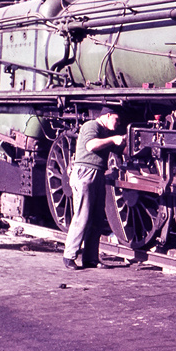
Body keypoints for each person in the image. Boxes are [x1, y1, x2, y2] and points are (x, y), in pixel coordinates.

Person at [62, 106, 125, 270]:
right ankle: (69, 255)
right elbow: (90, 145)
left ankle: (90, 258)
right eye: (116, 120)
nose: (117, 124)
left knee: (97, 218)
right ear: (108, 115)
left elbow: (119, 149)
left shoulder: (106, 133)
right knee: (83, 215)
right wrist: (113, 140)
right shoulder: (92, 125)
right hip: (85, 173)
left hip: (98, 174)